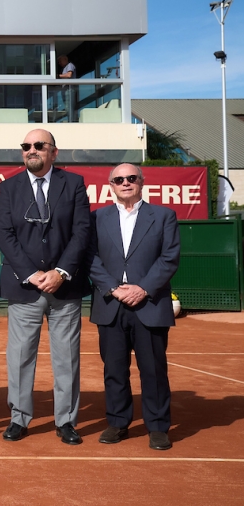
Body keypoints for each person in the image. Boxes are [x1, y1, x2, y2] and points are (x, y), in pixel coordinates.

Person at [0, 129, 91, 445]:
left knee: (67, 357)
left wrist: (61, 272)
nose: (31, 150)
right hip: (25, 286)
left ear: (54, 152)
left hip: (64, 287)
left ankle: (66, 421)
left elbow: (81, 232)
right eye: (26, 146)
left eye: (38, 145)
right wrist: (31, 273)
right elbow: (5, 235)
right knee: (20, 356)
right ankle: (19, 418)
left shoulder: (74, 184)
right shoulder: (9, 187)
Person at [89, 164, 180, 451]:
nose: (125, 183)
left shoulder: (164, 216)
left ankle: (157, 427)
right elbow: (89, 258)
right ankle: (117, 422)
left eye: (131, 178)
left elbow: (169, 258)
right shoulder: (96, 218)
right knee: (114, 368)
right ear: (111, 185)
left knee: (153, 370)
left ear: (141, 182)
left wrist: (142, 288)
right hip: (110, 303)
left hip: (149, 303)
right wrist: (114, 289)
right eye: (119, 180)